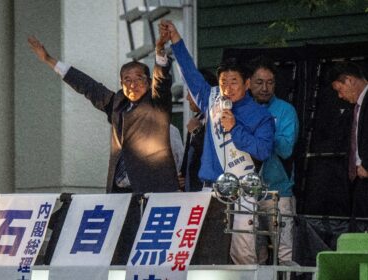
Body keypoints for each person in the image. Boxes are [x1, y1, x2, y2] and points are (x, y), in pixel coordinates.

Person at [28, 32, 179, 264]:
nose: (132, 84)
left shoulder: (157, 104)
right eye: (127, 80)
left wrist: (160, 53)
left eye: (138, 79)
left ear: (147, 83)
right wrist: (49, 59)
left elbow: (162, 81)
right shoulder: (117, 104)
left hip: (151, 193)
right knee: (121, 254)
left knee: (151, 255)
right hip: (120, 194)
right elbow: (87, 85)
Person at [159, 20, 275, 264]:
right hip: (209, 188)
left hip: (243, 188)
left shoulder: (261, 115)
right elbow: (190, 73)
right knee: (207, 250)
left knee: (242, 252)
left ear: (246, 84)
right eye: (223, 82)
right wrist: (176, 40)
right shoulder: (211, 99)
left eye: (234, 82)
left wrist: (235, 129)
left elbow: (263, 151)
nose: (227, 87)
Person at [247, 56, 299, 265]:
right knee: (253, 253)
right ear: (248, 82)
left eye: (270, 82)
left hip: (279, 191)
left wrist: (264, 134)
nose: (265, 88)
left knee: (285, 252)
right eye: (259, 82)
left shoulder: (285, 110)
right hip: (248, 192)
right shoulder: (241, 109)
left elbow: (286, 149)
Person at [329, 61, 368, 218]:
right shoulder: (359, 105)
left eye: (340, 89)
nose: (340, 95)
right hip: (360, 176)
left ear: (350, 80)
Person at [179, 70, 218, 192]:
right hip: (192, 191)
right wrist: (183, 176)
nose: (187, 98)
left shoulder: (219, 118)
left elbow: (215, 154)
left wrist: (197, 132)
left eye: (190, 92)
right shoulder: (197, 119)